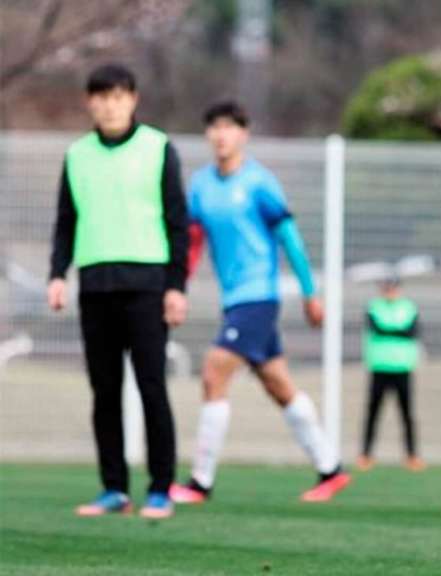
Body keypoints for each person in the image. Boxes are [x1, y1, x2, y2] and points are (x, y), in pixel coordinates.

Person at [169, 101, 349, 504]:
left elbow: (290, 239)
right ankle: (331, 469)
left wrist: (309, 292)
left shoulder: (260, 183)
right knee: (279, 386)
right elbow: (194, 244)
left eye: (229, 127)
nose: (221, 135)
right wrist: (178, 286)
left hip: (259, 297)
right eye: (214, 127)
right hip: (233, 301)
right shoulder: (201, 185)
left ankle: (200, 482)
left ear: (244, 134)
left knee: (214, 372)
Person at [48, 63, 187, 519]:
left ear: (134, 99)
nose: (110, 104)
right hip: (95, 287)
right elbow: (66, 221)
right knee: (104, 391)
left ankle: (161, 488)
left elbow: (177, 223)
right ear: (90, 101)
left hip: (148, 286)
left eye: (119, 95)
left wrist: (176, 287)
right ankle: (114, 489)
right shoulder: (77, 154)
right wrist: (56, 274)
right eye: (101, 96)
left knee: (151, 387)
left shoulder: (159, 148)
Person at [357, 274, 424, 472]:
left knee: (406, 414)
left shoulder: (409, 308)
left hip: (403, 367)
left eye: (392, 287)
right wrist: (397, 330)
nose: (389, 291)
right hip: (379, 366)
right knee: (373, 413)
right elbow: (377, 328)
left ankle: (412, 455)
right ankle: (366, 455)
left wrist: (390, 331)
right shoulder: (374, 307)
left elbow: (410, 331)